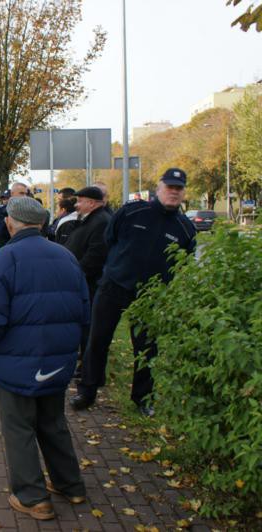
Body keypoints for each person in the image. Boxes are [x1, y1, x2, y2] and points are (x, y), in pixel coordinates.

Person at [0, 196, 90, 521]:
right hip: (57, 361)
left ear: (10, 222)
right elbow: (84, 311)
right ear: (41, 223)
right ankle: (71, 485)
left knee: (19, 428)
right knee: (53, 423)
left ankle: (33, 497)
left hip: (15, 363)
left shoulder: (2, 261)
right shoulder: (66, 257)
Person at [71, 169, 197, 416]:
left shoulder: (185, 228)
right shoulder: (132, 212)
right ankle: (87, 391)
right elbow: (111, 239)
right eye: (169, 187)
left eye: (178, 189)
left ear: (183, 193)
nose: (173, 192)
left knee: (147, 349)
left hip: (151, 296)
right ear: (158, 188)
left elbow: (183, 263)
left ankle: (142, 399)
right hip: (114, 286)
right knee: (97, 340)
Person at [63, 186, 111, 302]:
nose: (76, 205)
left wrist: (76, 274)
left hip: (90, 285)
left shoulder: (101, 221)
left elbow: (96, 256)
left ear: (91, 203)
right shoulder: (92, 219)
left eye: (79, 201)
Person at [0, 183, 29, 248]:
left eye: (26, 194)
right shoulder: (1, 211)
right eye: (21, 193)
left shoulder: (29, 209)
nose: (25, 196)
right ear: (12, 194)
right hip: (6, 247)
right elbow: (0, 231)